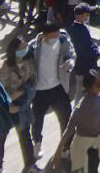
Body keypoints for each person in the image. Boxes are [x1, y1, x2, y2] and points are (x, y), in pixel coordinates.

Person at [56, 70, 100, 173]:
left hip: (97, 144)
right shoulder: (81, 107)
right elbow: (69, 130)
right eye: (97, 84)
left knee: (93, 168)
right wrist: (58, 153)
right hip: (82, 146)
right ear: (88, 88)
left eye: (99, 81)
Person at [30, 22, 76, 157]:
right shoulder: (34, 46)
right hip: (40, 90)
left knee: (66, 117)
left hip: (58, 87)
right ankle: (37, 144)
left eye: (57, 35)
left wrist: (71, 61)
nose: (57, 38)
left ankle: (65, 147)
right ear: (44, 35)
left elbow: (71, 53)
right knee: (37, 120)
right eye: (53, 36)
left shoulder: (63, 38)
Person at [0, 35, 38, 173]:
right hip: (8, 107)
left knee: (25, 136)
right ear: (14, 50)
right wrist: (11, 98)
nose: (25, 49)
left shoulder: (29, 63)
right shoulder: (5, 68)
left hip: (22, 106)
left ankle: (30, 165)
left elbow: (32, 80)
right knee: (1, 136)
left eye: (25, 46)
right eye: (21, 47)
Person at [67, 4, 100, 99]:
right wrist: (97, 53)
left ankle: (77, 108)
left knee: (79, 89)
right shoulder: (82, 30)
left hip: (78, 65)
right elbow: (86, 48)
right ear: (80, 16)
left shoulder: (72, 28)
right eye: (86, 14)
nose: (88, 16)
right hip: (86, 65)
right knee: (88, 88)